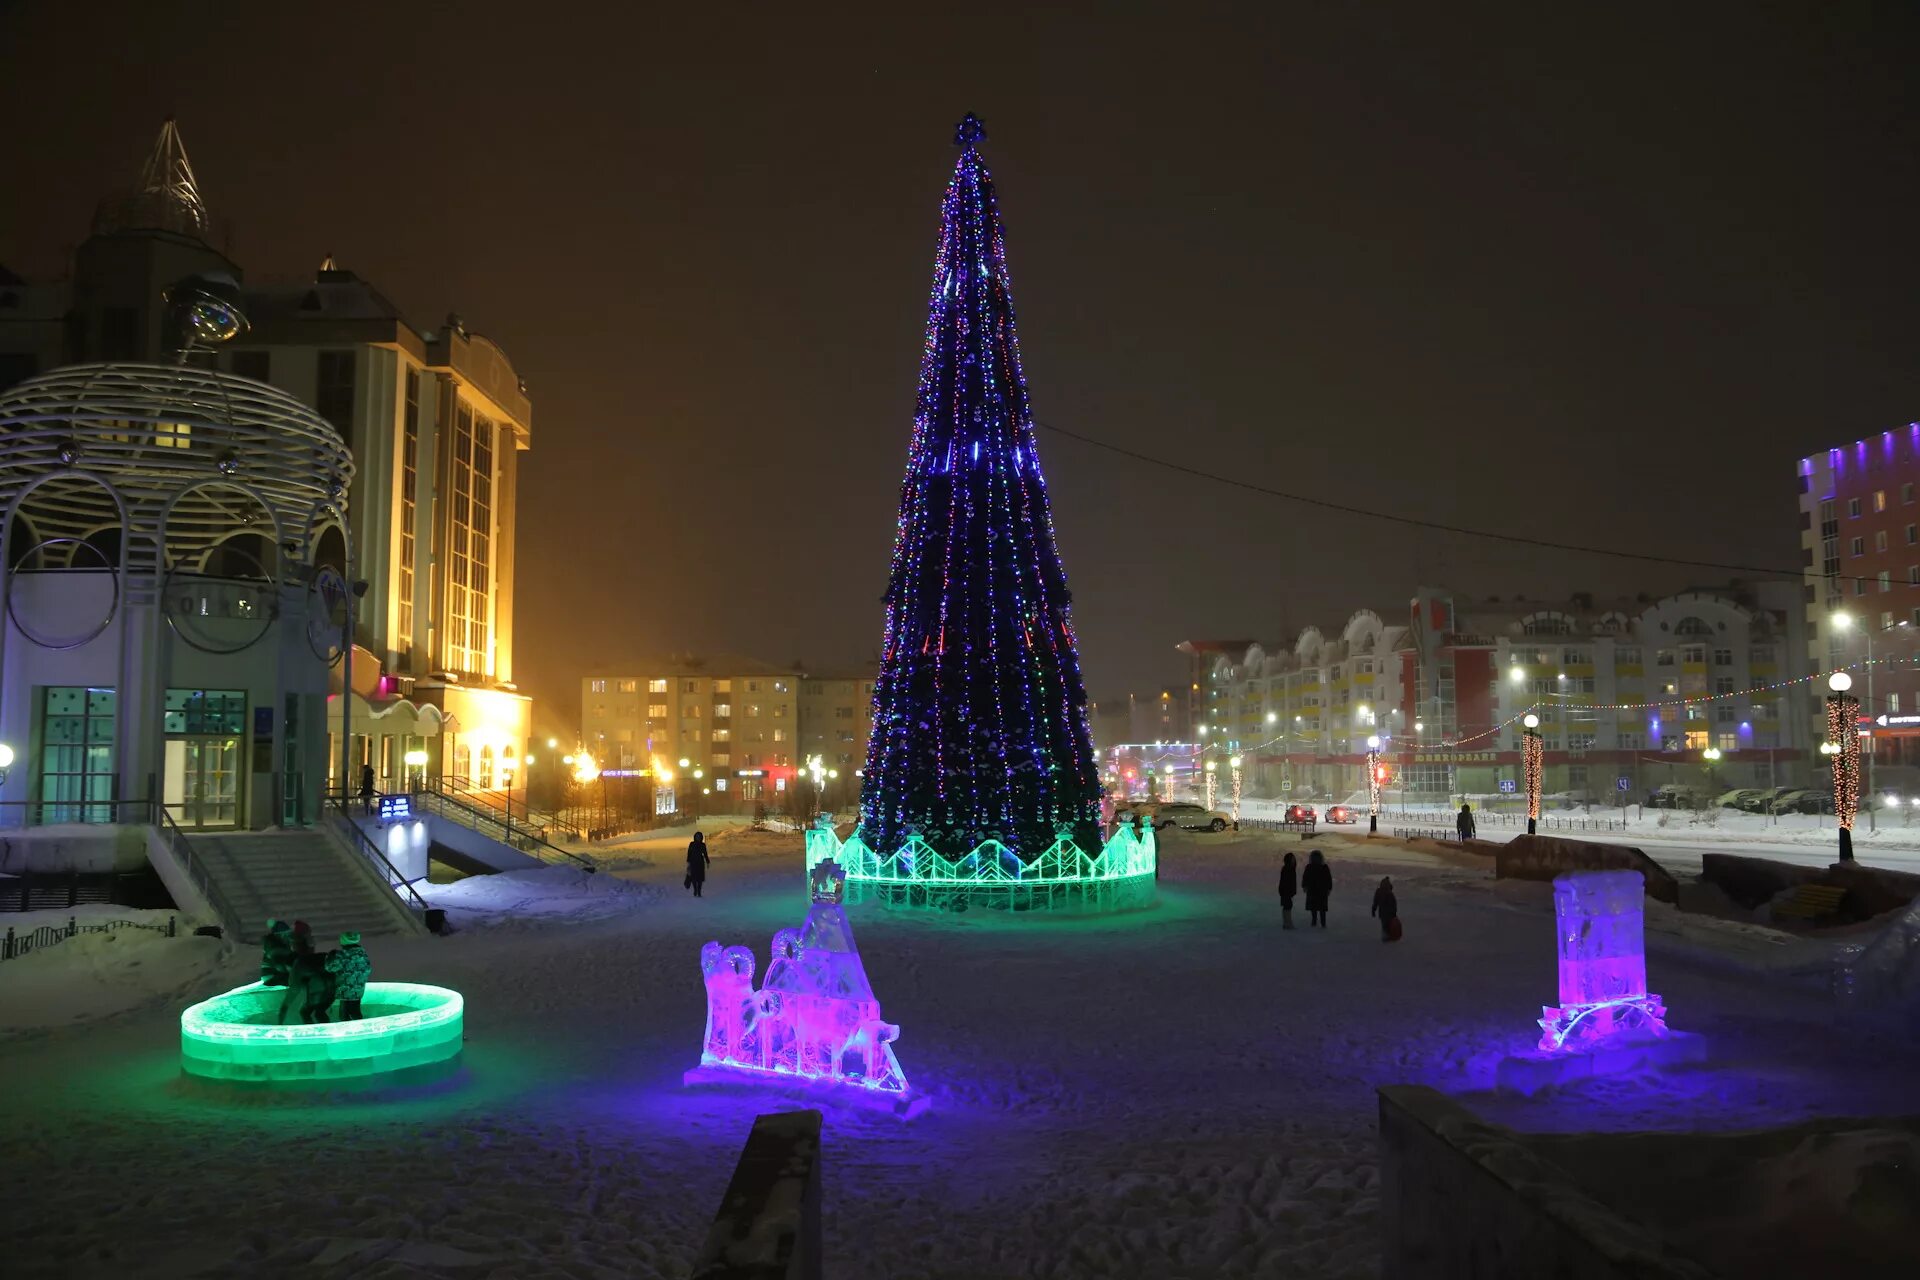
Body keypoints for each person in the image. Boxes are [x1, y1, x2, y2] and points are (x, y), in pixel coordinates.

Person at [326, 931, 371, 1020]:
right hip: (358, 990)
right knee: (356, 1012)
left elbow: (329, 968)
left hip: (345, 990)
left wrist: (330, 956)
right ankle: (360, 1030)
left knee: (344, 1015)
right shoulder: (363, 954)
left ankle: (348, 1030)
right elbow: (368, 969)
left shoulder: (341, 955)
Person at [1302, 848, 1333, 928]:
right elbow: (1305, 878)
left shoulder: (1313, 867)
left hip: (1317, 891)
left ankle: (1317, 922)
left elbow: (1328, 879)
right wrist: (1329, 888)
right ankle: (1318, 922)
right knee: (1317, 908)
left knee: (1317, 908)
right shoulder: (1322, 867)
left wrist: (1329, 888)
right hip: (1318, 891)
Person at [259, 919, 293, 987]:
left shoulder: (279, 944)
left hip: (273, 974)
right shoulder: (275, 945)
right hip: (272, 976)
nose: (287, 936)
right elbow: (279, 965)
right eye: (285, 934)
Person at [1372, 875, 1400, 941]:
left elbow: (1375, 901)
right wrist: (1394, 913)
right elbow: (1393, 904)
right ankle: (1389, 937)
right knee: (1388, 925)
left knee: (1384, 925)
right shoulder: (1389, 893)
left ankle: (1386, 937)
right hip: (1389, 913)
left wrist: (1373, 910)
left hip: (1382, 912)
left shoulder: (1379, 891)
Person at [686, 830, 711, 897]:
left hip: (700, 863)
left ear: (701, 837)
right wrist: (688, 862)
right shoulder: (691, 844)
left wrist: (708, 861)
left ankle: (699, 892)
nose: (698, 838)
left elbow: (705, 854)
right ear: (695, 837)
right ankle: (695, 890)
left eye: (699, 837)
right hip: (693, 862)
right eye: (697, 836)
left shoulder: (703, 845)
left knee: (700, 879)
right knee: (694, 878)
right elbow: (689, 853)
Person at [1277, 851, 1298, 929]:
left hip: (1288, 891)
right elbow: (1285, 882)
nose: (1294, 860)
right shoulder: (1287, 869)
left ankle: (1287, 923)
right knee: (1287, 907)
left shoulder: (1291, 868)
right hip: (1286, 891)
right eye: (1292, 859)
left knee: (1288, 906)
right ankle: (1287, 923)